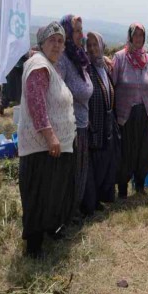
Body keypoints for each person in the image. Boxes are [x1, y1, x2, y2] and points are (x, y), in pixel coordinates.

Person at [17, 22, 77, 257]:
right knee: (38, 195)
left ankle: (47, 233)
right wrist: (50, 135)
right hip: (41, 147)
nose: (57, 44)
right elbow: (36, 103)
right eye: (52, 39)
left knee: (50, 193)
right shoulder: (39, 65)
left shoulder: (50, 66)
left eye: (61, 40)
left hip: (53, 147)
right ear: (42, 43)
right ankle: (33, 247)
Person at [112, 23, 148, 197]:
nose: (138, 39)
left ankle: (139, 185)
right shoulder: (120, 58)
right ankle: (122, 188)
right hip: (126, 115)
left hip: (145, 113)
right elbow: (112, 85)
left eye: (141, 36)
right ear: (130, 37)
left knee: (143, 150)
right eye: (135, 35)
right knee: (126, 152)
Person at [57, 15, 93, 219]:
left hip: (81, 122)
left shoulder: (78, 56)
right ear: (68, 34)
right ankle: (67, 212)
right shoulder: (63, 59)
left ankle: (74, 210)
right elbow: (60, 92)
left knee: (80, 170)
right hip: (70, 125)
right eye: (77, 30)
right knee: (71, 172)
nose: (82, 34)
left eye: (82, 29)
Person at [82, 32, 120, 214]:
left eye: (95, 44)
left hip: (106, 122)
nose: (92, 48)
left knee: (105, 161)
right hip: (93, 123)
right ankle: (92, 201)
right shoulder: (85, 68)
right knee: (94, 163)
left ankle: (101, 197)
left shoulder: (104, 67)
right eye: (88, 45)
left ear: (102, 46)